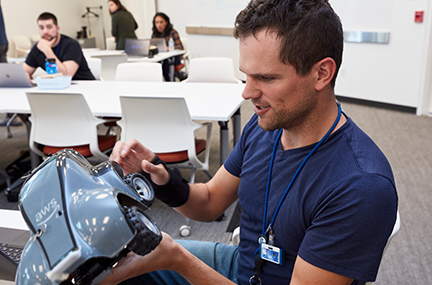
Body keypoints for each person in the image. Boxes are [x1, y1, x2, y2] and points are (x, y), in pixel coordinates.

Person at [102, 0, 398, 284]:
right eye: (246, 76)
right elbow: (208, 202)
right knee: (109, 264)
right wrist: (160, 177)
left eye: (266, 78)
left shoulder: (361, 186)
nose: (247, 93)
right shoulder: (265, 128)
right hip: (243, 264)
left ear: (322, 73)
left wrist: (178, 260)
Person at [23, 12, 94, 81]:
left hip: (84, 86)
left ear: (57, 29)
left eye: (49, 27)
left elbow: (66, 76)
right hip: (57, 88)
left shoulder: (71, 44)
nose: (45, 31)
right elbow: (24, 72)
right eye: (41, 28)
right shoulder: (39, 47)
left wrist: (47, 50)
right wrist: (25, 75)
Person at [0, 1, 21, 127]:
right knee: (5, 81)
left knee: (5, 82)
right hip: (2, 42)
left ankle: (12, 115)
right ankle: (12, 115)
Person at [151, 12, 186, 81]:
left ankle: (170, 82)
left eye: (161, 22)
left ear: (166, 22)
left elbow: (180, 48)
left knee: (165, 64)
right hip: (159, 58)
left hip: (173, 59)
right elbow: (152, 46)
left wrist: (168, 48)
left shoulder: (173, 32)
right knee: (156, 64)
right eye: (157, 22)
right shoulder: (155, 34)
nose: (159, 25)